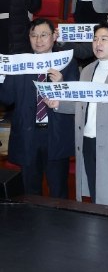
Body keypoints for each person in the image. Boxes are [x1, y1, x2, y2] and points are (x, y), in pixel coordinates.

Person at [47, 22, 108, 206]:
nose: (98, 43)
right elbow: (80, 104)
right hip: (88, 140)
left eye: (104, 39)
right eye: (95, 39)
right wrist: (58, 104)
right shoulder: (87, 70)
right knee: (94, 195)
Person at [0, 18, 79, 198]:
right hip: (28, 135)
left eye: (43, 35)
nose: (38, 40)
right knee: (30, 192)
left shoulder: (67, 62)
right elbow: (7, 98)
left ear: (53, 37)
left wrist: (61, 83)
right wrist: (1, 79)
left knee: (58, 191)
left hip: (56, 134)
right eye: (33, 35)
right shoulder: (20, 63)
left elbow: (76, 100)